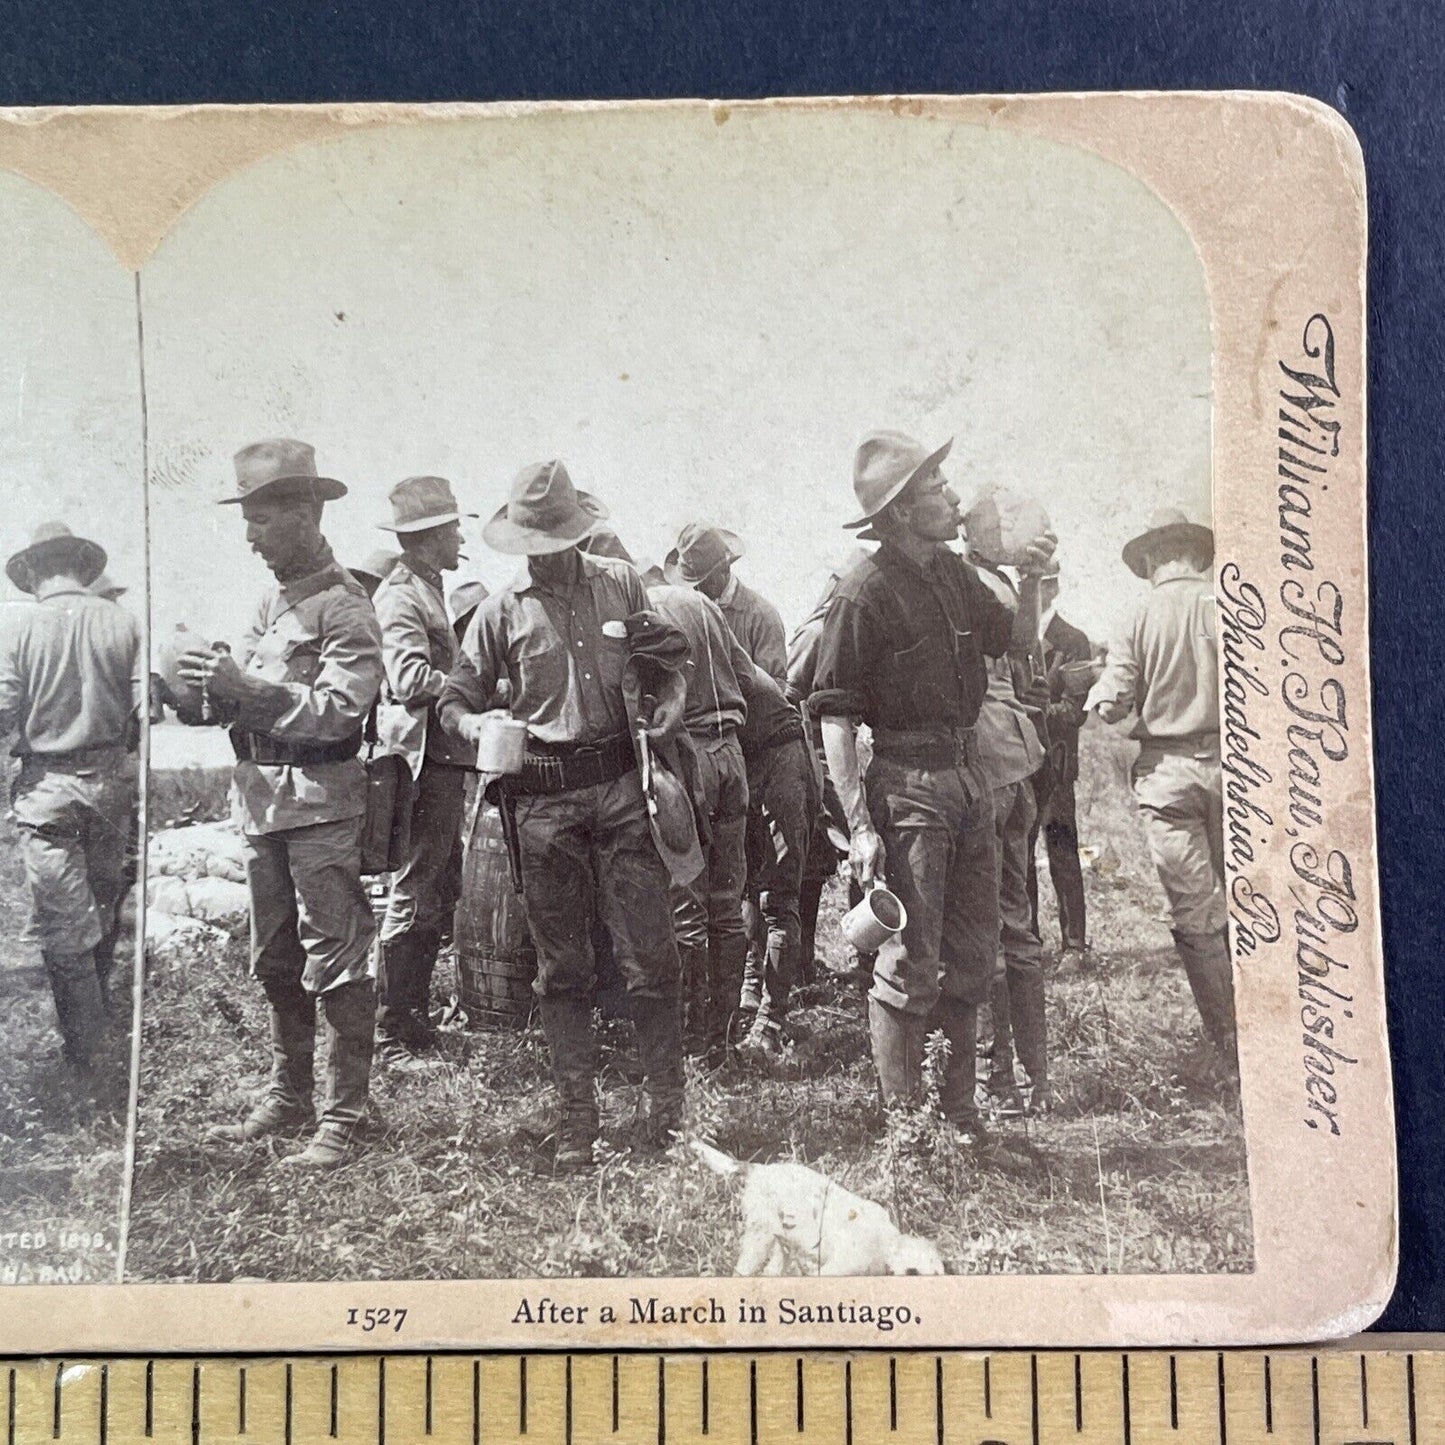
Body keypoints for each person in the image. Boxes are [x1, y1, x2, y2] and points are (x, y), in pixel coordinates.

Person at [439, 460, 686, 1171]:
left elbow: (663, 655)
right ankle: (577, 1122)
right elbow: (455, 695)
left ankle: (665, 1116)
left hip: (618, 789)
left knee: (650, 955)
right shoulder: (498, 611)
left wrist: (667, 695)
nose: (545, 552)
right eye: (532, 540)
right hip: (541, 802)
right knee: (562, 967)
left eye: (555, 538)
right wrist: (471, 721)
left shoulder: (618, 582)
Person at [809, 430, 1053, 1140]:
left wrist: (1034, 580)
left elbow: (1017, 642)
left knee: (973, 955)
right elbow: (833, 715)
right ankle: (906, 1131)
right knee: (910, 961)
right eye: (936, 492)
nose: (953, 499)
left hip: (969, 776)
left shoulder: (952, 575)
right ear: (899, 513)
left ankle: (960, 1117)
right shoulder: (863, 591)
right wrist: (857, 825)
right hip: (906, 783)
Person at [184, 439, 384, 1169]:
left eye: (262, 519)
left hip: (322, 806)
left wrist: (250, 691)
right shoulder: (271, 602)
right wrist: (201, 687)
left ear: (305, 513)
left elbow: (339, 712)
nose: (249, 535)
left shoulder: (348, 607)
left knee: (335, 958)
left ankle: (347, 1114)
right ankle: (290, 1094)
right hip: (262, 803)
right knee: (274, 959)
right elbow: (240, 698)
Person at [1086, 507, 1236, 1061]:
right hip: (1240, 767)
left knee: (1195, 915)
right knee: (1254, 902)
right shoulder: (1228, 604)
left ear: (1151, 556)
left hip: (1168, 778)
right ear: (1197, 554)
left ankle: (1229, 1048)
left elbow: (1109, 706)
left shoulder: (1136, 616)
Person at [0, 523, 142, 1076]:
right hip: (112, 784)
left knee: (64, 925)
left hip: (48, 788)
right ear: (83, 566)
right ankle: (96, 1026)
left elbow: (4, 707)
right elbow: (144, 707)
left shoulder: (18, 627)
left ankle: (86, 1054)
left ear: (34, 570)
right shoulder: (124, 620)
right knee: (103, 907)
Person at [371, 476, 477, 1067]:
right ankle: (391, 1033)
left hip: (441, 761)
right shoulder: (401, 597)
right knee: (412, 891)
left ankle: (411, 1021)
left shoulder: (429, 590)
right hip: (420, 763)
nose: (462, 536)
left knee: (436, 887)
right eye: (454, 528)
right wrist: (468, 688)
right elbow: (407, 679)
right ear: (430, 536)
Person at [642, 580, 751, 1058]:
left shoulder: (647, 605)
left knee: (686, 905)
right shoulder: (705, 603)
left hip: (690, 757)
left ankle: (689, 1042)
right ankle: (723, 1039)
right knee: (727, 906)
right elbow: (748, 675)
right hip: (732, 754)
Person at [965, 526, 1051, 1116]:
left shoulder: (957, 579)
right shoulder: (1001, 583)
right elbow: (1023, 655)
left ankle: (997, 1083)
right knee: (1017, 925)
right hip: (1018, 760)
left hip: (983, 762)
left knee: (984, 930)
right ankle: (1036, 1079)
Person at [1027, 574, 1093, 969]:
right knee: (1017, 858)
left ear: (1054, 587)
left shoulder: (1073, 641)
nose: (1034, 591)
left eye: (1041, 583)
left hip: (1055, 765)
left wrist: (1026, 710)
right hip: (1017, 765)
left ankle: (1075, 946)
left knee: (1062, 852)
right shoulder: (1010, 636)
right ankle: (1027, 942)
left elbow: (1073, 712)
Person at [665, 524, 786, 685]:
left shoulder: (762, 616)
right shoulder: (688, 609)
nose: (695, 591)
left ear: (723, 571)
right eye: (691, 585)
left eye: (702, 582)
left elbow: (775, 687)